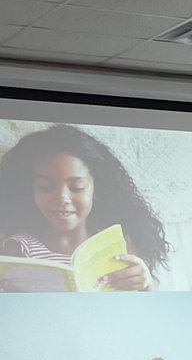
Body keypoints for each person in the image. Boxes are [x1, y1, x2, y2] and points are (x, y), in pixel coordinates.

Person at [0, 124, 169, 291]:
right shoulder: (19, 248)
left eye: (77, 187)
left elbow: (140, 303)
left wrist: (146, 285)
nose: (62, 198)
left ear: (97, 189)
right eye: (46, 186)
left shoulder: (117, 242)